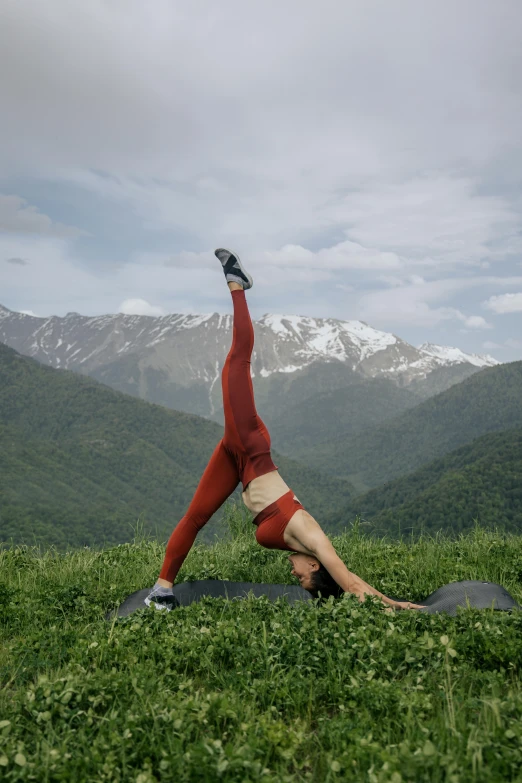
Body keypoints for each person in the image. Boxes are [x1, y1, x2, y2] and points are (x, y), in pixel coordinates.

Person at [146, 249, 423, 612]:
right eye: (306, 579)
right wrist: (398, 608)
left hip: (239, 461)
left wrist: (397, 602)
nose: (296, 578)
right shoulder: (312, 536)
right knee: (237, 360)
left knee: (195, 517)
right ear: (314, 564)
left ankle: (162, 590)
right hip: (250, 447)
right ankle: (237, 285)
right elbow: (351, 582)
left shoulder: (305, 547)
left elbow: (349, 580)